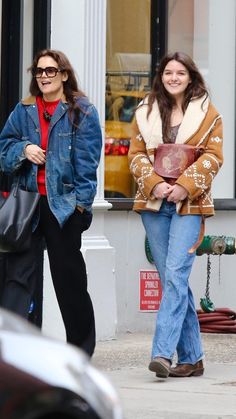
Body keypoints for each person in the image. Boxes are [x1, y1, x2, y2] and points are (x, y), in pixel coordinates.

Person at [0, 49, 102, 357]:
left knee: (68, 281)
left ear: (64, 75)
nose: (44, 76)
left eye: (50, 71)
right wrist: (24, 149)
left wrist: (81, 208)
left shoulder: (81, 110)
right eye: (39, 72)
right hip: (27, 206)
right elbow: (4, 150)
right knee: (18, 278)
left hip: (63, 208)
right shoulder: (24, 109)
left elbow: (88, 163)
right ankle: (14, 351)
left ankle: (80, 352)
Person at [128, 51, 223, 378]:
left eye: (180, 73)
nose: (173, 78)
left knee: (175, 275)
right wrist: (154, 184)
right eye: (168, 72)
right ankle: (193, 357)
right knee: (172, 279)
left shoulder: (208, 114)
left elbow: (213, 157)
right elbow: (135, 155)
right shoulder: (144, 111)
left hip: (189, 203)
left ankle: (163, 353)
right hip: (154, 205)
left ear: (190, 76)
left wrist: (184, 185)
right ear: (161, 76)